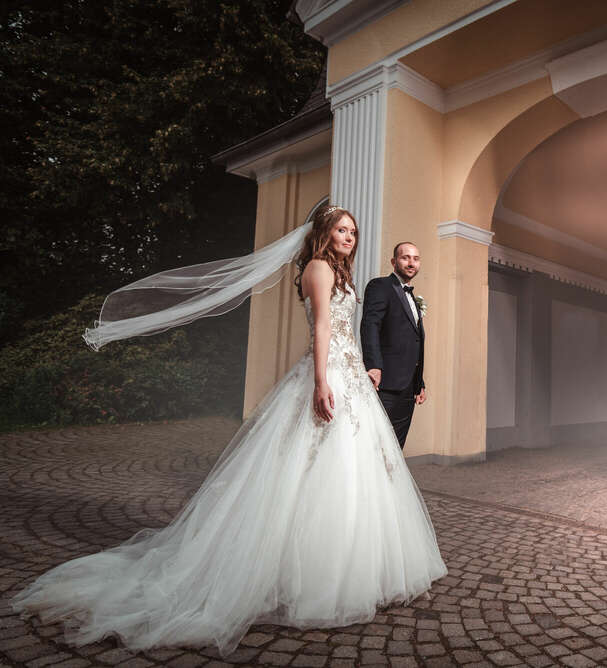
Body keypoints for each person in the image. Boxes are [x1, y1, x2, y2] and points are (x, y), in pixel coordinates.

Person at [10, 206, 447, 656]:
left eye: (353, 231)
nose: (349, 236)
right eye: (341, 229)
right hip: (330, 375)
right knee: (315, 467)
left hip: (351, 375)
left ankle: (360, 570)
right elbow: (320, 329)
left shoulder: (340, 272)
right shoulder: (317, 269)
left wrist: (355, 370)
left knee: (358, 470)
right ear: (324, 233)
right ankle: (304, 576)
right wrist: (321, 382)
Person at [360, 242, 427, 448]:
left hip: (409, 387)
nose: (411, 263)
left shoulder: (413, 298)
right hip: (385, 382)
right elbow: (370, 325)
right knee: (375, 443)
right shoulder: (380, 286)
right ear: (393, 261)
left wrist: (419, 382)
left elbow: (413, 340)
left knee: (396, 447)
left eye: (415, 259)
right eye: (405, 257)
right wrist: (374, 366)